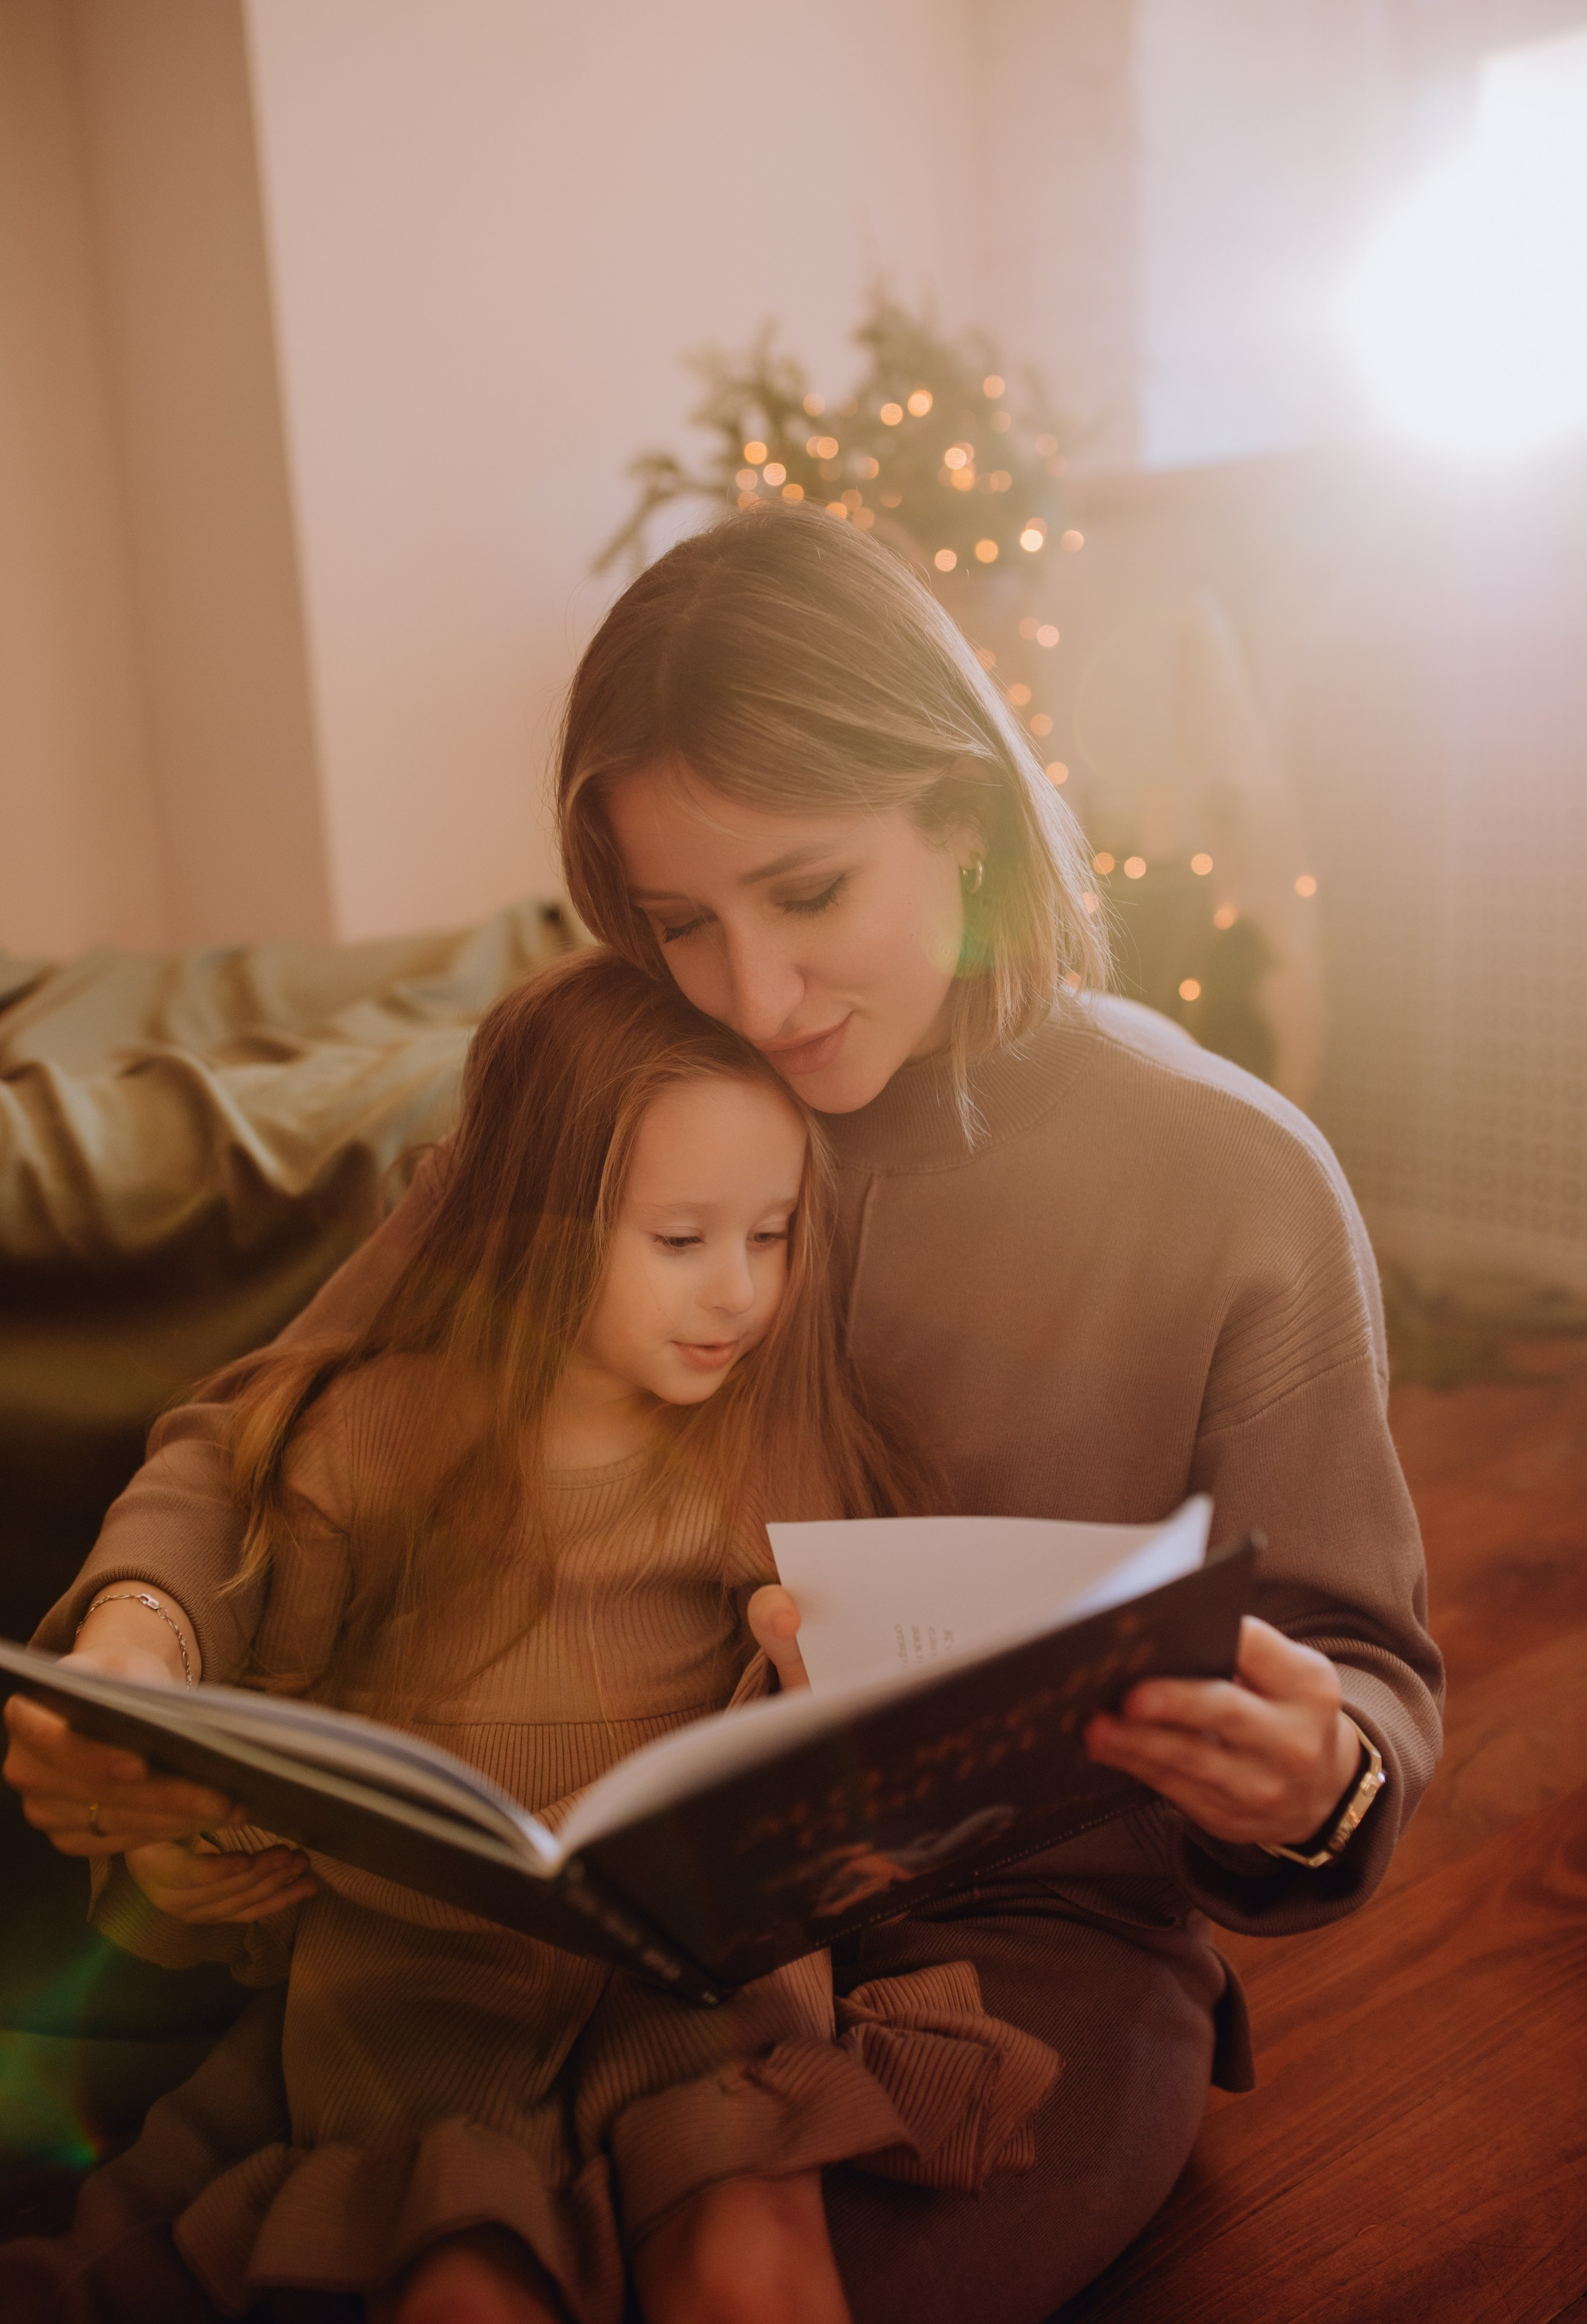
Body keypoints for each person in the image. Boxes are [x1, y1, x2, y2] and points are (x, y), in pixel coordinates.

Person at [6, 507, 1442, 2323]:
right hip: (543, 1949)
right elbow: (258, 1424)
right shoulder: (622, 1100)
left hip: (1002, 1962)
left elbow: (1356, 1668)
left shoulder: (1238, 1182)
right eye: (680, 923)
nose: (756, 998)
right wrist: (141, 1636)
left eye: (812, 894)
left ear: (969, 816)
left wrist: (1314, 1777)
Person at [1, 945, 1058, 2324]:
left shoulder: (777, 1437)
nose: (737, 1292)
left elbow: (883, 1731)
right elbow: (262, 1748)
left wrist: (835, 1711)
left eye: (772, 1233)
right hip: (422, 1968)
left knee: (750, 2249)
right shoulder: (357, 1443)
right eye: (681, 1241)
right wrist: (190, 1854)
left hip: (692, 1962)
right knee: (456, 2277)